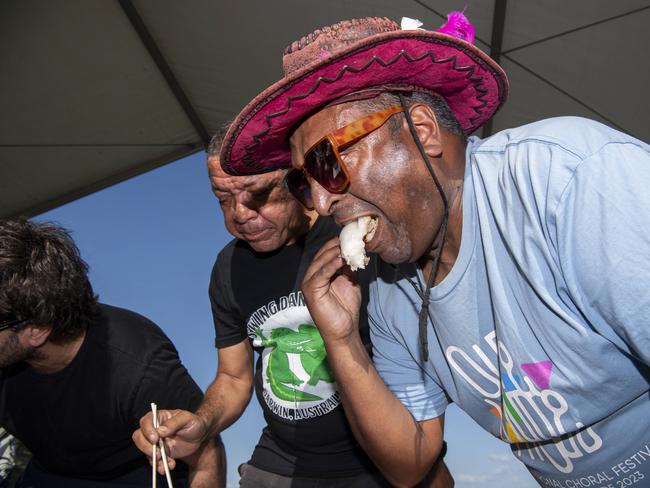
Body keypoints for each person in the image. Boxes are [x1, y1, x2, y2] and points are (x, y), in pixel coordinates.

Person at [217, 12, 650, 488]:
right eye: (304, 181)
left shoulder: (565, 180)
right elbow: (409, 463)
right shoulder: (386, 289)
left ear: (420, 130)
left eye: (328, 161)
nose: (320, 200)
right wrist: (340, 341)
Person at [133, 132, 454, 487]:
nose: (239, 214)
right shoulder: (228, 269)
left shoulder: (357, 234)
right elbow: (234, 378)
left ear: (297, 180)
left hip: (382, 461)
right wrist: (203, 423)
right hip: (284, 463)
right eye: (223, 198)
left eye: (259, 194)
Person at [0, 218, 224, 487]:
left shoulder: (139, 367)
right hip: (49, 471)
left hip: (133, 474)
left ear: (36, 330)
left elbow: (207, 454)